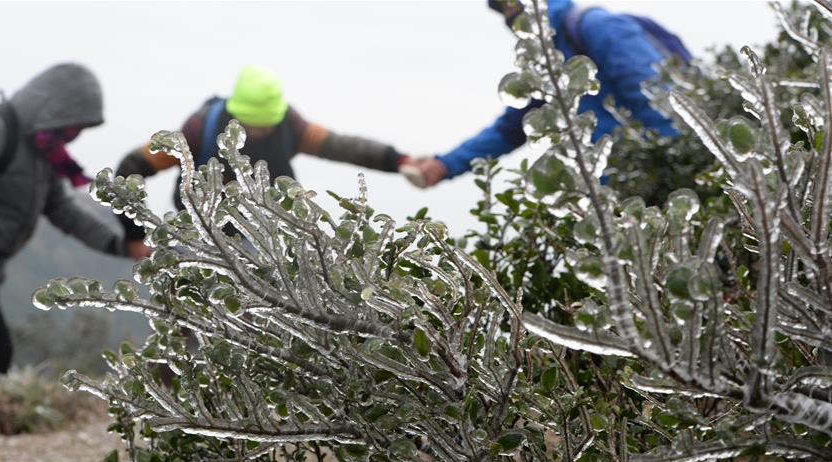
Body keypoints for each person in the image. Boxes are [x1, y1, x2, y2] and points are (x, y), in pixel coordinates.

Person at [0, 63, 142, 376]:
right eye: (74, 125)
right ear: (54, 110)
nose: (75, 135)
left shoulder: (43, 153)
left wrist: (119, 245)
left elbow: (64, 212)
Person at [116, 65, 410, 249]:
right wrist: (134, 237)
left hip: (267, 240)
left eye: (266, 123)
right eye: (251, 123)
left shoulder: (289, 125)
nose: (259, 130)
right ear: (235, 114)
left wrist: (396, 160)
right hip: (200, 238)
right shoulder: (199, 128)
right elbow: (131, 168)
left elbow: (341, 146)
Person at [402, 0, 688, 188]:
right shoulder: (549, 65)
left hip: (662, 179)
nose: (514, 24)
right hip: (617, 192)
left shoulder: (598, 27)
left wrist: (677, 174)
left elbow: (657, 99)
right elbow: (512, 129)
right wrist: (444, 165)